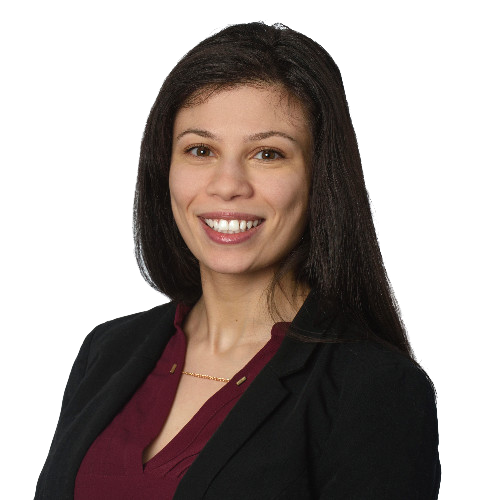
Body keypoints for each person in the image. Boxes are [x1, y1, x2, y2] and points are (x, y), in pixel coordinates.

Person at [35, 21, 441, 499]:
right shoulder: (108, 349)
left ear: (318, 179)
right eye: (200, 150)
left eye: (268, 154)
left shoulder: (374, 389)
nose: (228, 184)